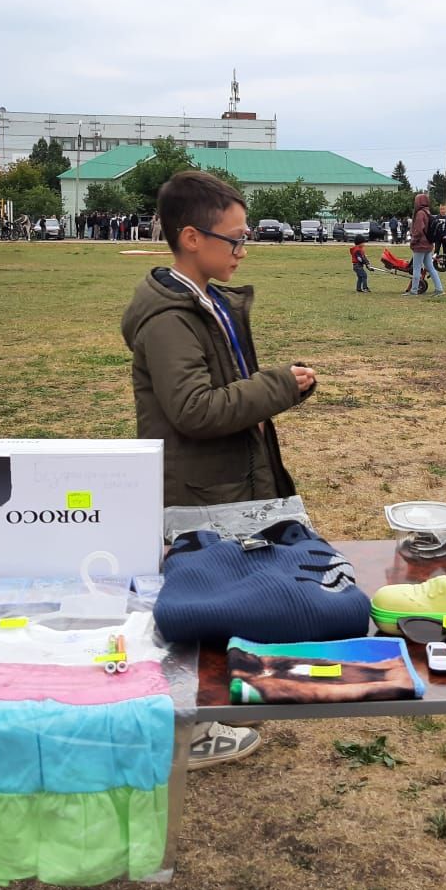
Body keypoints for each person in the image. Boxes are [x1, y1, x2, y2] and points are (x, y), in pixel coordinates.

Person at [120, 169, 317, 769]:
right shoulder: (170, 318)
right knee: (204, 608)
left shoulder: (203, 301)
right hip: (199, 491)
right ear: (191, 238)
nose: (242, 249)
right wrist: (278, 386)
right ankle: (191, 735)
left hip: (228, 479)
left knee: (230, 600)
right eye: (233, 239)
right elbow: (195, 410)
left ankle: (216, 708)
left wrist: (274, 390)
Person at [407, 192, 444, 296]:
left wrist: (413, 241)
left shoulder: (419, 214)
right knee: (431, 268)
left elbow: (418, 231)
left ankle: (414, 290)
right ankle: (439, 288)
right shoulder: (428, 212)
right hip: (428, 245)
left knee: (416, 268)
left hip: (420, 245)